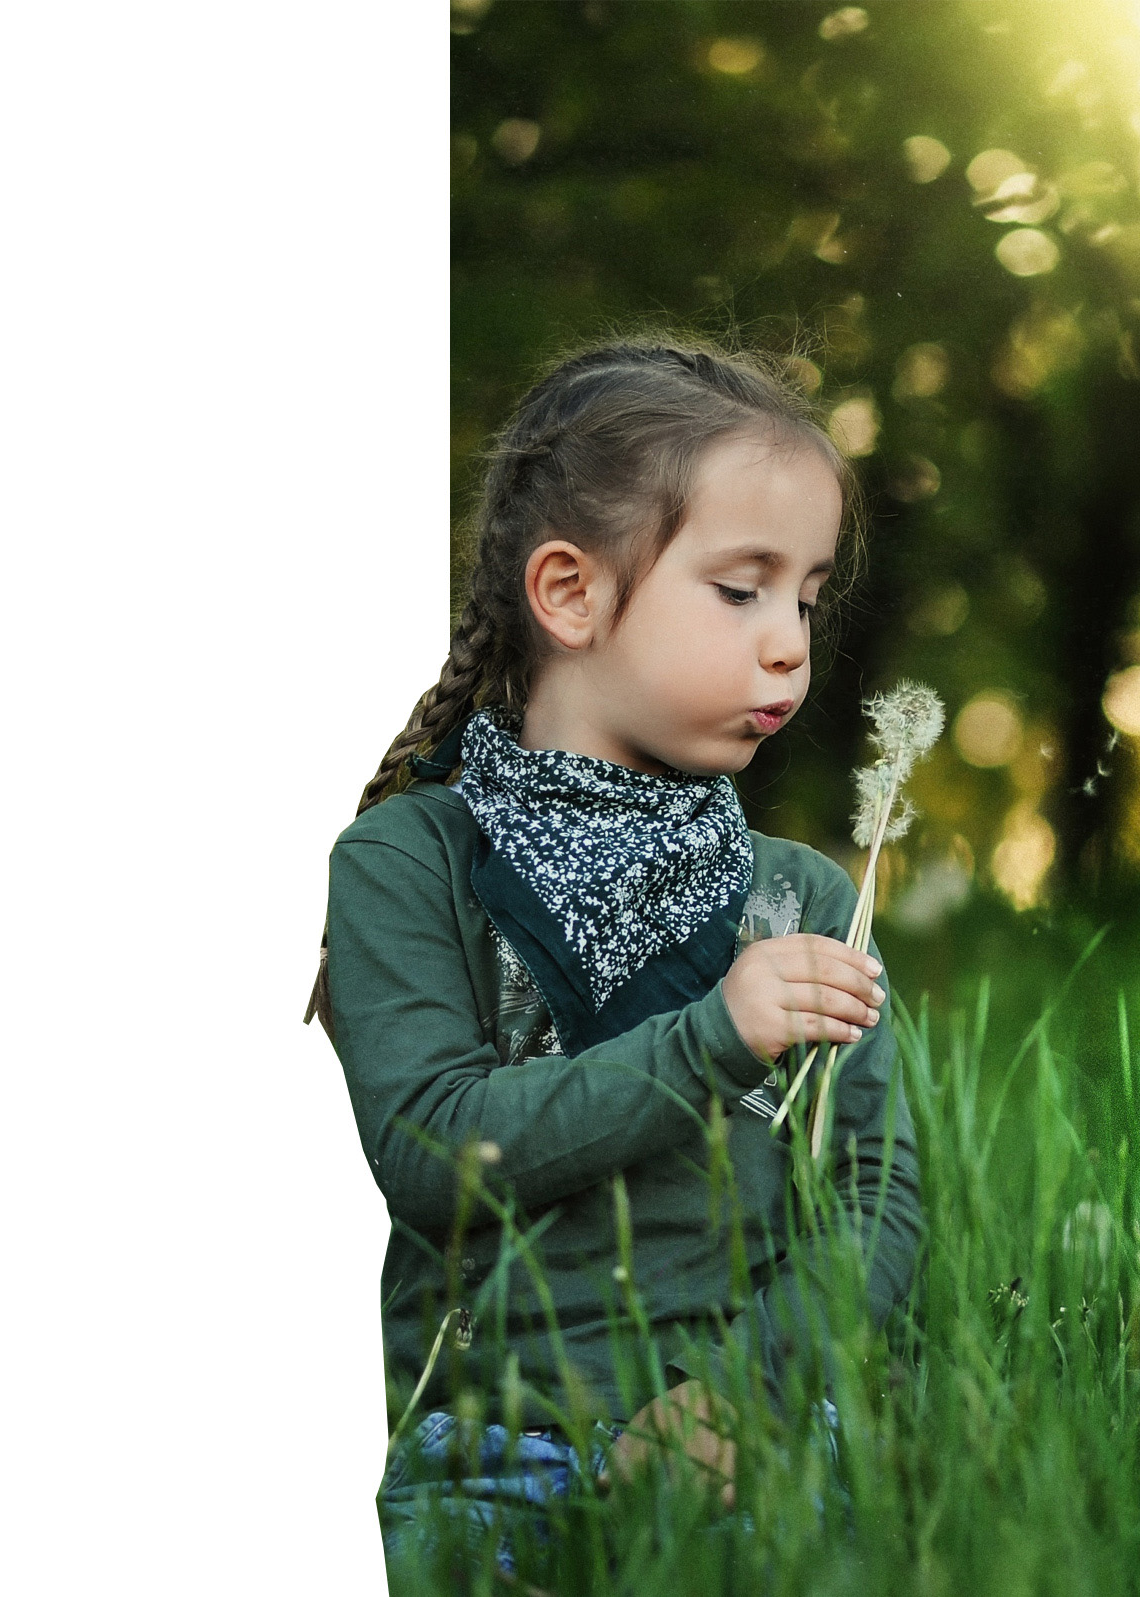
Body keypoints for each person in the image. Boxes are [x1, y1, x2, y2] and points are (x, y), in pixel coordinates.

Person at [306, 332, 922, 1586]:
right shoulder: (404, 863)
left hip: (758, 1442)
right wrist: (714, 1034)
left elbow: (873, 1198)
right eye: (741, 589)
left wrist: (733, 1402)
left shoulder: (799, 895)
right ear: (571, 594)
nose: (791, 643)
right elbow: (435, 1150)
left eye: (806, 598)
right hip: (489, 1458)